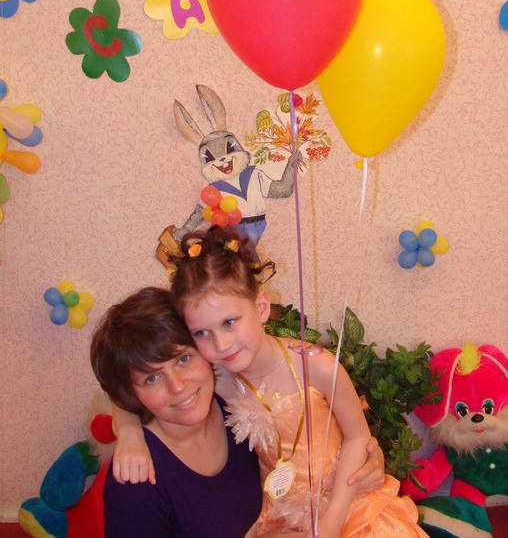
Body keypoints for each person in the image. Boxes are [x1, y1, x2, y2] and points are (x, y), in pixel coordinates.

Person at [113, 226, 425, 537]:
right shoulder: (215, 376)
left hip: (348, 508)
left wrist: (331, 523)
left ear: (261, 308)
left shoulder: (316, 366)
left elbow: (358, 438)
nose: (221, 344)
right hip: (280, 520)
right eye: (202, 333)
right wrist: (128, 433)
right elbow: (129, 390)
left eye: (229, 322)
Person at [90, 286, 263, 538]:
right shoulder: (136, 482)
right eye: (152, 378)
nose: (178, 386)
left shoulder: (240, 405)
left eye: (183, 359)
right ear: (131, 394)